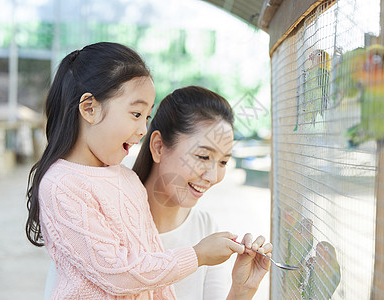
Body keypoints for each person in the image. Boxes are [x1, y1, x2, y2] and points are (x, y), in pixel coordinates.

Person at [26, 42, 250, 299]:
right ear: (89, 108)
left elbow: (154, 276)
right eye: (136, 113)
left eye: (147, 116)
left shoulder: (128, 179)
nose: (143, 128)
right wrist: (196, 255)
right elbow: (116, 273)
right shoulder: (61, 185)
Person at [133, 86, 272, 300]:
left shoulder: (206, 230)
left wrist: (242, 290)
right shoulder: (112, 222)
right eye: (204, 157)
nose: (212, 176)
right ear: (159, 147)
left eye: (223, 162)